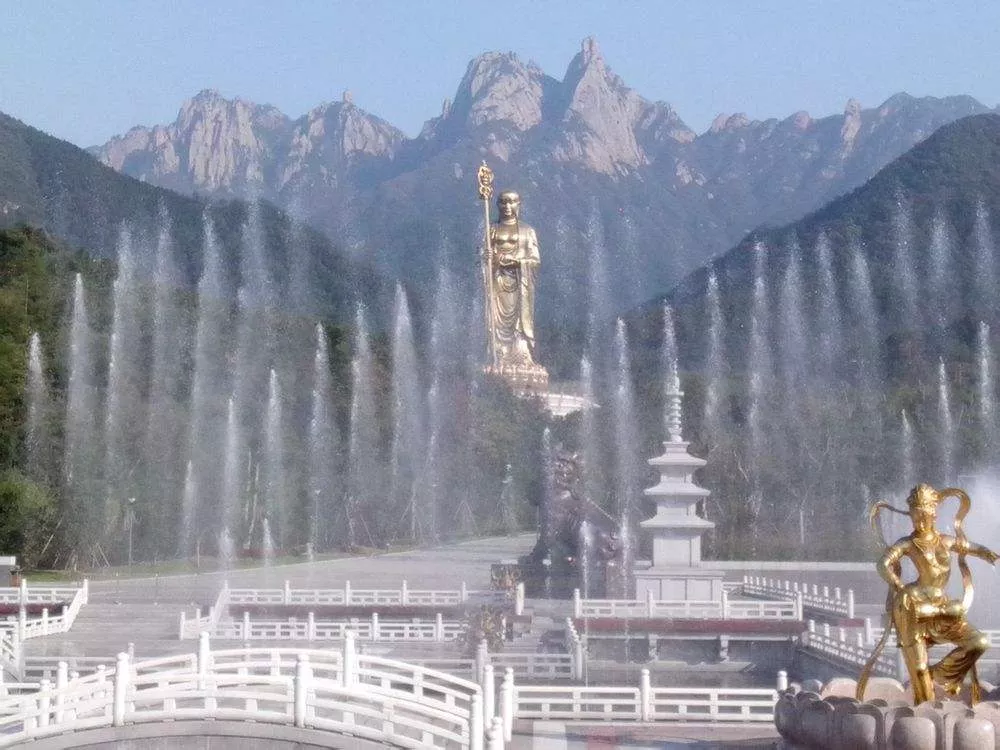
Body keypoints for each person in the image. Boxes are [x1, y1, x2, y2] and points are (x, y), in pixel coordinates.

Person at [865, 484, 998, 704]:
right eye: (915, 516)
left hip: (940, 606)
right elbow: (883, 564)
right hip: (913, 606)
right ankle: (922, 705)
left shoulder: (945, 540)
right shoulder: (908, 543)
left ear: (933, 514)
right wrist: (899, 586)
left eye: (924, 515)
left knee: (978, 642)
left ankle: (937, 674)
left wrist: (988, 554)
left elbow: (968, 546)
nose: (919, 521)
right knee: (919, 671)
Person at [486, 191, 541, 371]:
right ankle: (499, 352)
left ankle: (521, 352)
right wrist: (487, 258)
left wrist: (517, 261)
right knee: (496, 319)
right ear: (498, 205)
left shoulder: (528, 231)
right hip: (498, 281)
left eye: (512, 202)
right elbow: (483, 260)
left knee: (519, 322)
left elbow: (535, 260)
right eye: (503, 202)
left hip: (519, 282)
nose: (507, 207)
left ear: (519, 204)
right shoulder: (491, 229)